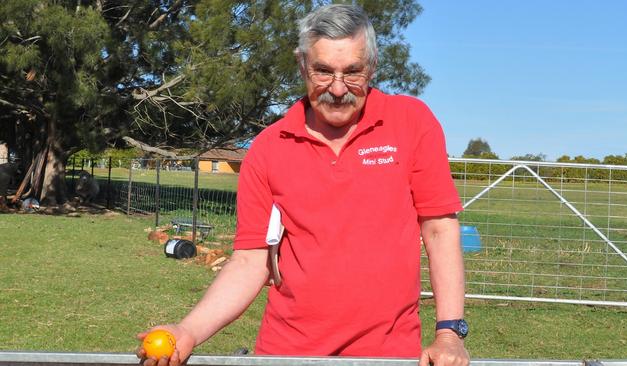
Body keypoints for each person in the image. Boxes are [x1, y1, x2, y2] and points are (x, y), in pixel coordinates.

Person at [138, 4, 469, 366]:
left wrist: (449, 332)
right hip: (288, 353)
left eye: (353, 72)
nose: (338, 89)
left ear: (372, 67)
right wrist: (189, 330)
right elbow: (251, 261)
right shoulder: (268, 148)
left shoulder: (411, 123)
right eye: (323, 72)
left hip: (388, 355)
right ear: (302, 65)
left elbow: (439, 230)